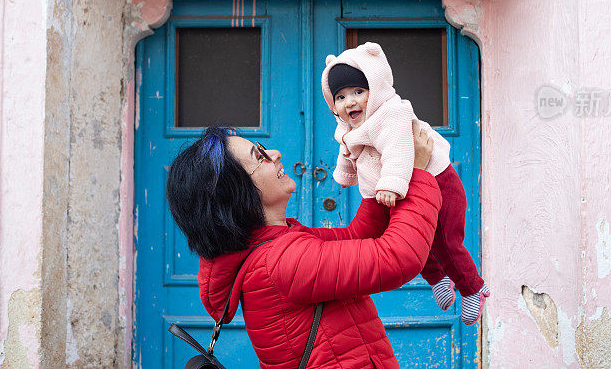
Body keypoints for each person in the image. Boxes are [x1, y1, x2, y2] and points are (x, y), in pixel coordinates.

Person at [166, 122, 441, 369]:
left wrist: (382, 182)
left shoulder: (277, 244)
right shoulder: (281, 261)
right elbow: (398, 257)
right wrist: (415, 173)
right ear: (235, 193)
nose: (274, 154)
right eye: (259, 156)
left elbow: (359, 237)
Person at [320, 42, 489, 325]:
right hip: (399, 189)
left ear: (376, 88)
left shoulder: (392, 113)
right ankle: (437, 278)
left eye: (359, 92)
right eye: (340, 96)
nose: (350, 102)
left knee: (446, 241)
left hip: (437, 181)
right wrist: (345, 176)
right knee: (414, 242)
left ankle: (474, 288)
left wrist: (391, 184)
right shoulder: (350, 128)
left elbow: (399, 149)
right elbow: (347, 149)